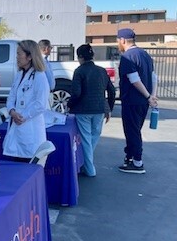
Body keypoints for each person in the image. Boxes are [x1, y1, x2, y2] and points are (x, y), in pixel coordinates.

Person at [68, 44, 117, 177]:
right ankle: (87, 165)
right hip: (99, 109)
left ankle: (89, 169)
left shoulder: (79, 71)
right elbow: (111, 91)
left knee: (85, 139)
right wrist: (109, 108)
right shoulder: (102, 71)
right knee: (93, 137)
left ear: (80, 57)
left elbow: (76, 93)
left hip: (83, 110)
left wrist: (69, 105)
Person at [116, 28, 159, 174]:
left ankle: (137, 162)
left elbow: (134, 79)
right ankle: (129, 156)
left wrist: (148, 96)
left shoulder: (128, 57)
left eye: (118, 41)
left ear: (122, 40)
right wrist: (152, 96)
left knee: (132, 131)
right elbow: (154, 77)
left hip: (132, 100)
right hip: (143, 102)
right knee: (135, 129)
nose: (118, 43)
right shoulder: (145, 54)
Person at [2, 40, 50, 161]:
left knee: (27, 167)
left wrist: (22, 116)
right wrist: (12, 111)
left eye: (19, 54)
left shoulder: (39, 76)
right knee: (16, 163)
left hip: (30, 129)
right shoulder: (19, 74)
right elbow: (11, 97)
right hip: (17, 126)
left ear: (29, 56)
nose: (17, 57)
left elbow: (41, 104)